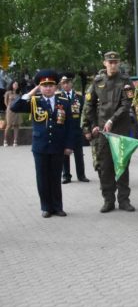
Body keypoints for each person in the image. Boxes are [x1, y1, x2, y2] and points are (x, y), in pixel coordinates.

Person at [11, 70, 74, 218]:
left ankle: (57, 207)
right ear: (40, 87)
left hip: (58, 146)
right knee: (42, 178)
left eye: (50, 85)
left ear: (55, 86)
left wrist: (69, 145)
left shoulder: (64, 102)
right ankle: (46, 207)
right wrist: (32, 92)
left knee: (55, 178)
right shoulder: (34, 101)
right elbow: (15, 107)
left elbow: (70, 126)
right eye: (44, 86)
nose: (48, 88)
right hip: (40, 146)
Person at [82, 51, 135, 213]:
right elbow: (89, 105)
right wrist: (92, 125)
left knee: (122, 165)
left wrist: (112, 120)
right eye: (110, 62)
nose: (113, 65)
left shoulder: (126, 82)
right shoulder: (97, 82)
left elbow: (126, 104)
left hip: (120, 129)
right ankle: (108, 200)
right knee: (105, 166)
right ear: (104, 63)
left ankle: (124, 200)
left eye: (115, 62)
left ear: (119, 63)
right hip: (103, 131)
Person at [58, 74, 89, 183]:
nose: (66, 85)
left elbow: (84, 113)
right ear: (61, 85)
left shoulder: (79, 96)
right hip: (64, 130)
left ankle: (81, 175)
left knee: (79, 153)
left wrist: (85, 127)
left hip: (76, 129)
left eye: (67, 83)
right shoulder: (58, 97)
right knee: (65, 154)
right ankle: (66, 176)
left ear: (71, 83)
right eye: (63, 83)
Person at [3, 80, 22, 147]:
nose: (16, 86)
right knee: (9, 125)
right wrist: (9, 107)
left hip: (17, 111)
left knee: (16, 126)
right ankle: (5, 140)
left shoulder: (19, 93)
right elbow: (5, 102)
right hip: (10, 111)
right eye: (15, 84)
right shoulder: (8, 92)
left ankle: (15, 141)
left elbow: (20, 102)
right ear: (12, 85)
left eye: (17, 85)